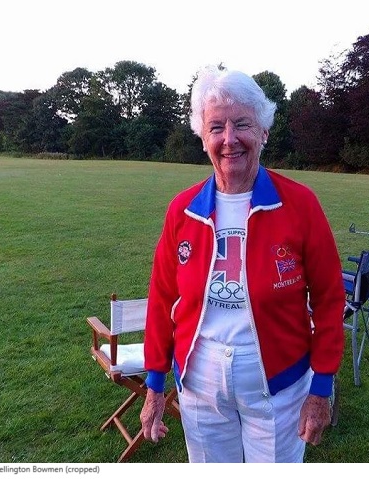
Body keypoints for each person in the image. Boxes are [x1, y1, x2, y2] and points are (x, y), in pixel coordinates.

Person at [140, 66, 346, 463]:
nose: (229, 139)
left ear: (264, 132)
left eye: (242, 124)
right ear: (203, 138)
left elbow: (329, 299)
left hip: (279, 388)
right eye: (216, 127)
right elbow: (162, 299)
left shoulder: (300, 204)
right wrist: (154, 383)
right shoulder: (182, 210)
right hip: (199, 388)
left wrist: (321, 388)